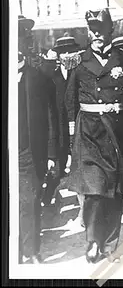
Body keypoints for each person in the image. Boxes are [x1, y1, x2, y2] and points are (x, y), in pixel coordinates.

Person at [65, 8, 123, 263]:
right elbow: (69, 103)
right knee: (93, 189)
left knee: (114, 190)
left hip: (118, 131)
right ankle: (93, 240)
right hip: (89, 132)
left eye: (100, 29)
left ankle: (110, 245)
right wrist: (72, 137)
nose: (96, 34)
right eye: (92, 30)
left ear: (110, 30)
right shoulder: (78, 61)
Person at [17, 15, 49, 264]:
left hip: (26, 151)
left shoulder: (36, 76)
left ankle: (31, 250)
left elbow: (49, 117)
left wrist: (50, 154)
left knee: (30, 200)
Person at [41, 37, 82, 217]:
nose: (67, 55)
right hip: (59, 129)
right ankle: (47, 199)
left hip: (78, 126)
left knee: (80, 166)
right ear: (58, 55)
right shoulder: (52, 76)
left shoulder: (80, 72)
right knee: (57, 169)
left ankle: (84, 207)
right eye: (63, 52)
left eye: (70, 51)